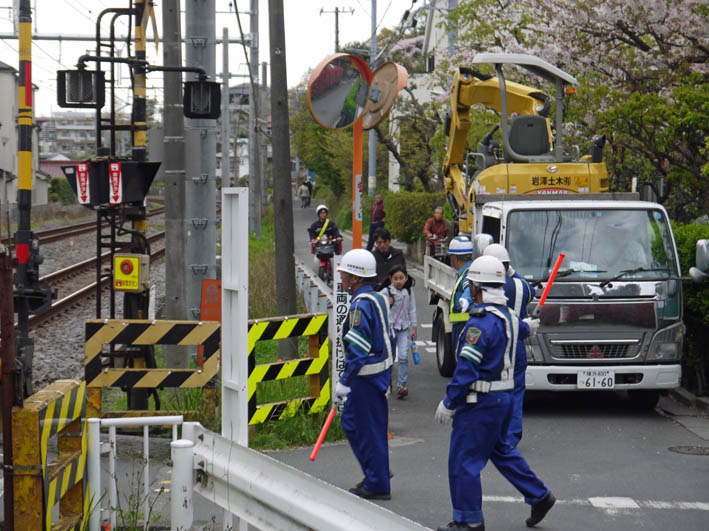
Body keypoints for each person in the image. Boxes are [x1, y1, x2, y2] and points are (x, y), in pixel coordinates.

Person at [435, 255, 555, 531]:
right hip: (503, 401)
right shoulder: (509, 318)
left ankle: (469, 520)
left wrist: (449, 401)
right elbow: (524, 328)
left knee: (464, 460)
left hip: (480, 402)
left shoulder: (480, 323)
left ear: (478, 288)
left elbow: (466, 369)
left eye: (472, 286)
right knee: (501, 451)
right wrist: (530, 326)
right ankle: (539, 495)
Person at [335, 249, 395, 500]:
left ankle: (377, 481)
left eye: (345, 275)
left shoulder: (360, 306)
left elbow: (358, 349)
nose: (343, 279)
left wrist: (344, 381)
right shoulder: (378, 298)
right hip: (380, 373)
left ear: (355, 278)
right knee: (372, 427)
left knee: (357, 425)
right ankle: (377, 470)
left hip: (366, 377)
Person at [483, 243, 535, 447]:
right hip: (517, 345)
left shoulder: (486, 287)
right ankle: (511, 437)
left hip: (495, 345)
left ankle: (492, 434)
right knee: (515, 392)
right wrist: (513, 272)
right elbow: (530, 293)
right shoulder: (520, 285)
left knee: (491, 389)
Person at [379, 264, 417, 399]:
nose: (398, 281)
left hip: (404, 329)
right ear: (390, 279)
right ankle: (386, 382)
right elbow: (376, 304)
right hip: (389, 330)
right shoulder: (385, 292)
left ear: (406, 278)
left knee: (403, 356)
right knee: (389, 357)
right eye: (395, 278)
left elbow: (412, 309)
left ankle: (402, 385)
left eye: (401, 278)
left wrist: (414, 328)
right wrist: (386, 302)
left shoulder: (409, 292)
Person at [448, 236, 474, 355]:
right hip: (464, 323)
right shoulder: (468, 269)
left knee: (461, 358)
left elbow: (468, 286)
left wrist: (466, 299)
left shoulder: (467, 273)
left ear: (454, 257)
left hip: (463, 325)